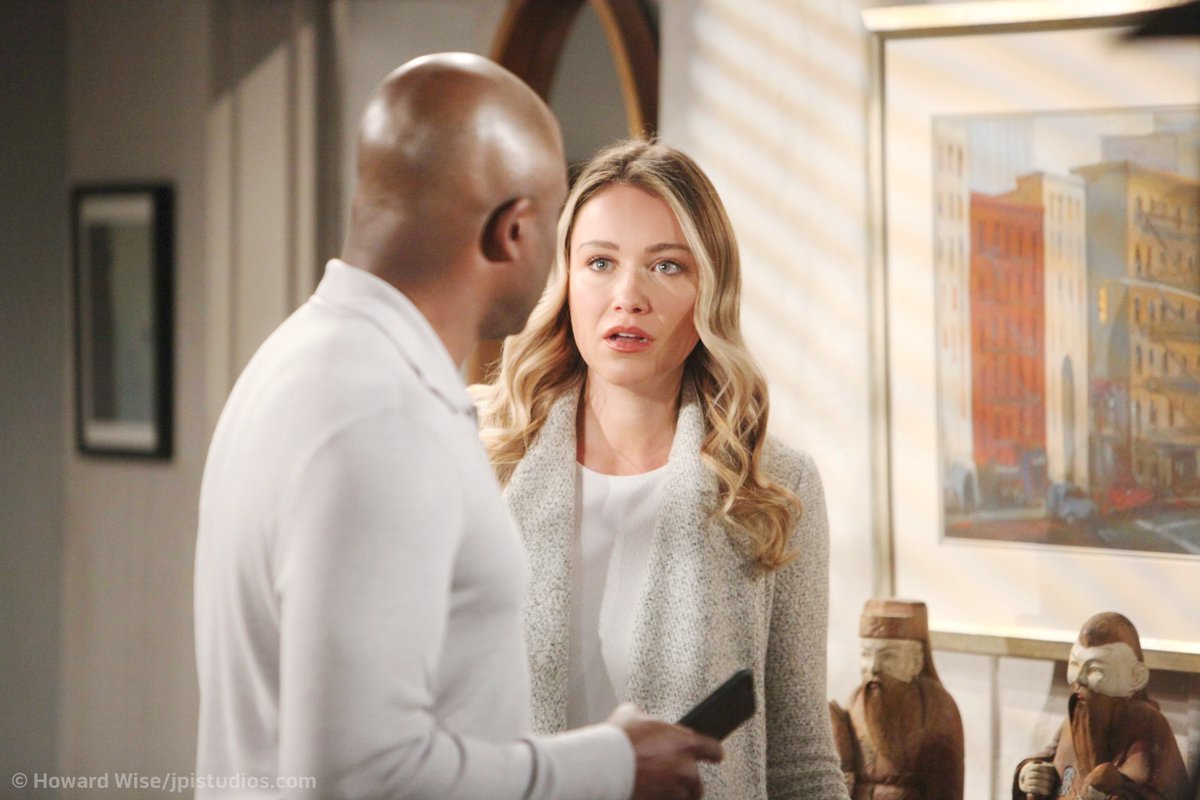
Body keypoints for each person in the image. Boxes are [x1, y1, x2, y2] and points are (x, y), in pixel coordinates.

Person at [194, 54, 723, 800]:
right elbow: (360, 778)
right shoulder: (384, 419)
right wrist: (612, 765)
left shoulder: (293, 363)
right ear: (514, 230)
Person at [474, 139, 849, 800]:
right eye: (600, 263)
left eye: (667, 266)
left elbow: (800, 763)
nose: (628, 297)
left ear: (710, 287)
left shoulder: (772, 488)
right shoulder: (480, 459)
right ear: (565, 280)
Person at [1013, 612, 1189, 800]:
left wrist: (1109, 789)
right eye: (1074, 665)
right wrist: (1029, 774)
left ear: (1136, 677)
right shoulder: (1079, 711)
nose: (1079, 679)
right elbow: (1052, 759)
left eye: (1094, 669)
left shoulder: (1147, 724)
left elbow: (1152, 792)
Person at [828, 599, 964, 800]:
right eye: (866, 655)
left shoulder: (936, 708)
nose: (873, 667)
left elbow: (946, 787)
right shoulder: (856, 701)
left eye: (887, 657)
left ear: (916, 661)